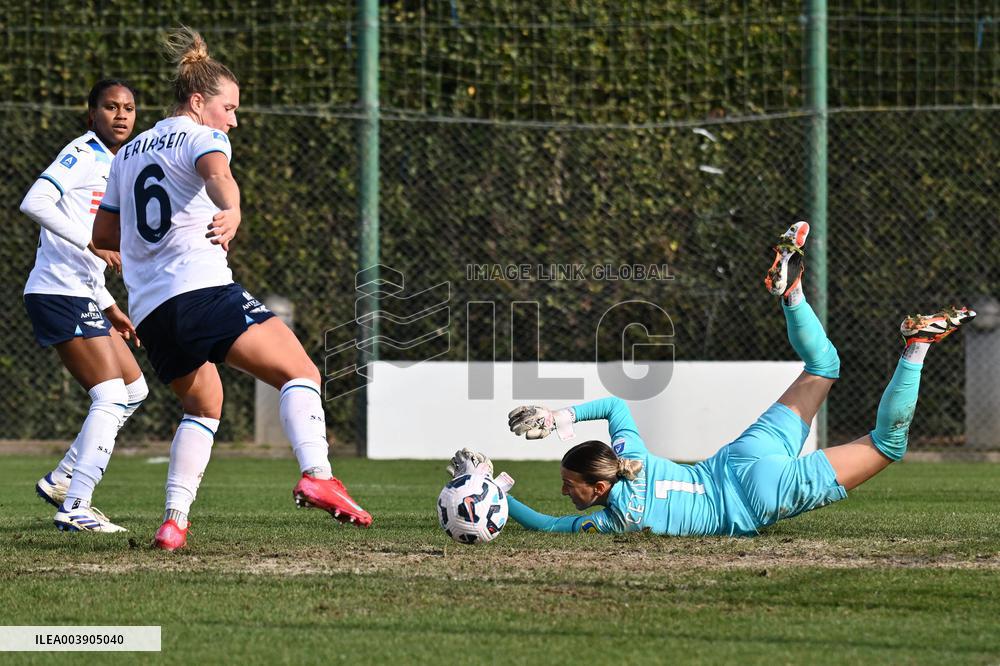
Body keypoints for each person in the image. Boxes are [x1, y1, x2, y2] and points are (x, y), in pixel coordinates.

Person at [500, 222, 974, 535]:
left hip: (755, 498)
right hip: (738, 458)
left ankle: (917, 346)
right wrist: (558, 416)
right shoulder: (632, 457)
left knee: (887, 444)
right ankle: (792, 294)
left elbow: (546, 525)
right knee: (822, 367)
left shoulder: (619, 520)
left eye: (570, 484)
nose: (564, 491)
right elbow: (615, 406)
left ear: (600, 488)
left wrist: (498, 495)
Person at [92, 27, 371, 551]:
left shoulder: (125, 155)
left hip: (151, 313)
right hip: (201, 290)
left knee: (204, 406)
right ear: (199, 102)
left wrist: (146, 251)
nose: (234, 120)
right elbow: (218, 175)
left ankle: (174, 522)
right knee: (301, 372)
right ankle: (318, 474)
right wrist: (234, 207)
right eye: (230, 107)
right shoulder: (202, 136)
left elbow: (102, 236)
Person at [20, 79, 148, 533]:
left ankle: (63, 479)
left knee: (134, 390)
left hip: (83, 292)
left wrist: (109, 304)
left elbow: (87, 253)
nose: (121, 114)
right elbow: (34, 201)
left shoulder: (118, 163)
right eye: (111, 106)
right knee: (109, 396)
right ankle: (76, 505)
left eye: (128, 107)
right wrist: (90, 242)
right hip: (58, 291)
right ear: (92, 113)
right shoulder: (83, 151)